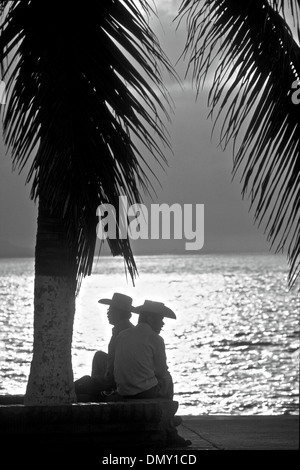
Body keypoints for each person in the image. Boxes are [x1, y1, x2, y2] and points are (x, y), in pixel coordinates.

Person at [112, 300, 191, 448]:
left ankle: (168, 422)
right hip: (143, 392)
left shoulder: (122, 335)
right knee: (167, 378)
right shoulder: (155, 338)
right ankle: (170, 429)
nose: (162, 324)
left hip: (123, 391)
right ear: (150, 319)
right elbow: (161, 371)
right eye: (160, 319)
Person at [74, 292, 135, 401]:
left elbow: (115, 368)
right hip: (122, 377)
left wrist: (101, 382)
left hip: (118, 381)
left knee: (79, 385)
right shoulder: (127, 328)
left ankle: (98, 392)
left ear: (118, 313)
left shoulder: (122, 333)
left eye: (109, 311)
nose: (107, 314)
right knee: (99, 356)